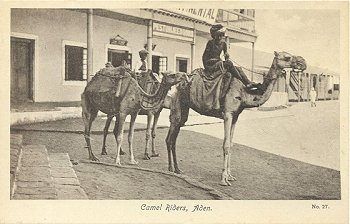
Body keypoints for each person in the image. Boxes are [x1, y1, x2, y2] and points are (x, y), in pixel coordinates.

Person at [202, 24, 260, 90]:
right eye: (217, 36)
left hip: (219, 63)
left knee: (238, 69)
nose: (219, 38)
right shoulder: (210, 43)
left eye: (221, 35)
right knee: (229, 63)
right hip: (211, 65)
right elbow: (205, 57)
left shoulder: (223, 44)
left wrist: (227, 55)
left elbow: (226, 59)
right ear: (214, 36)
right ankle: (244, 83)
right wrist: (208, 67)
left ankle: (248, 82)